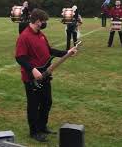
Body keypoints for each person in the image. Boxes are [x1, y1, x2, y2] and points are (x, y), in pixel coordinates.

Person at [15, 9, 78, 142]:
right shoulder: (24, 36)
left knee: (46, 102)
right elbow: (20, 57)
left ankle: (42, 126)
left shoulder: (40, 34)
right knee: (33, 105)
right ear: (37, 21)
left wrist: (67, 52)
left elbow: (50, 51)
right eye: (43, 21)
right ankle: (34, 132)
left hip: (45, 75)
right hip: (32, 78)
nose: (44, 24)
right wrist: (32, 70)